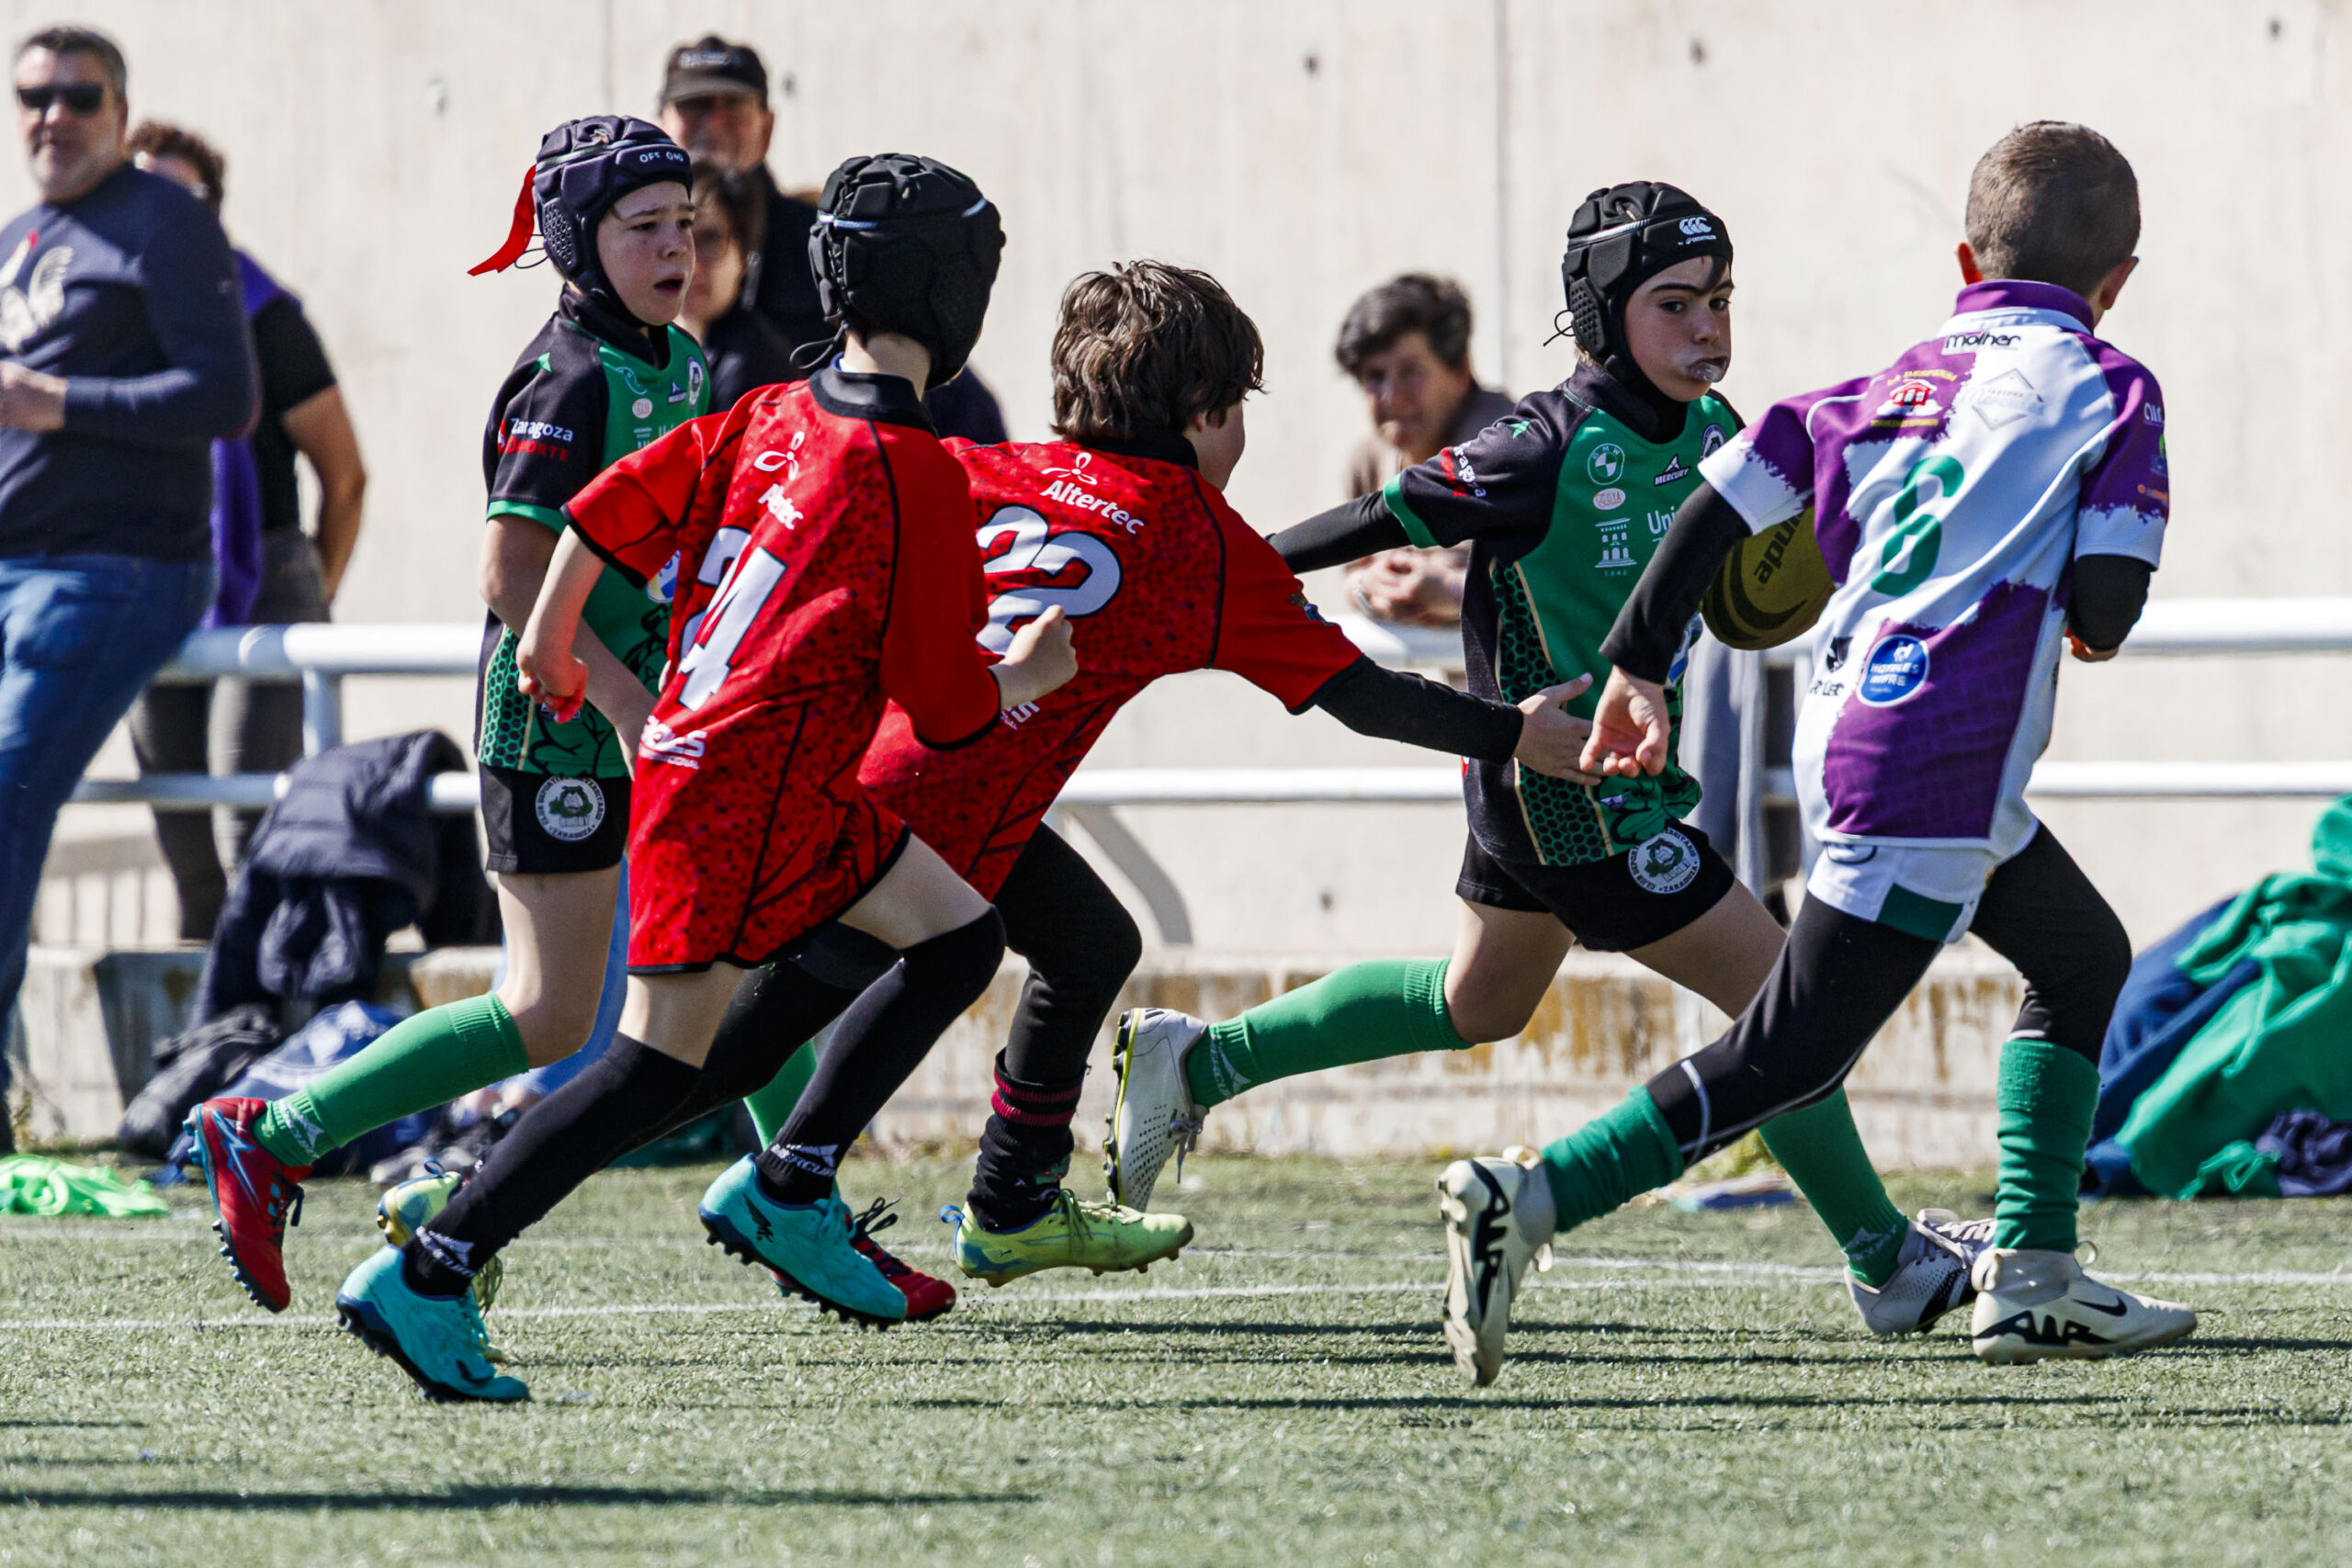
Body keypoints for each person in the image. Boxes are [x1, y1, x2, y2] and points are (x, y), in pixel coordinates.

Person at [607, 260, 1595, 1296]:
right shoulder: (1193, 535)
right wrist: (1510, 733)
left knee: (1086, 944)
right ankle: (502, 1193)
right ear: (1209, 412)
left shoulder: (986, 465)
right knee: (709, 1060)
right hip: (930, 814)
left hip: (855, 774)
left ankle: (1011, 1207)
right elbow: (1364, 694)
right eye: (1240, 410)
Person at [1108, 183, 1984, 1340]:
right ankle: (1888, 1261)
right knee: (1789, 1000)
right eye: (1673, 305)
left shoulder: (1720, 435)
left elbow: (1746, 585)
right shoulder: (1539, 444)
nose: (1707, 331)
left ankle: (1201, 1062)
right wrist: (1213, 575)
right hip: (1571, 792)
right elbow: (1370, 521)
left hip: (1576, 787)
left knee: (1479, 999)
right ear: (1599, 314)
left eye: (1720, 302)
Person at [1440, 123, 2196, 1386]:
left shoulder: (1885, 383)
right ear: (2118, 278)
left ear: (1965, 258)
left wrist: (1635, 664)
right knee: (1789, 1048)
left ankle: (2036, 1271)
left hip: (1859, 720)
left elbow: (1717, 504)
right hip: (1940, 757)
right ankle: (1527, 1197)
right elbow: (2108, 607)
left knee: (2079, 951)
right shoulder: (2114, 392)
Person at [334, 153, 1069, 1404]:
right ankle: (436, 1258)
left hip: (757, 774)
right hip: (748, 794)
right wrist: (1030, 672)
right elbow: (944, 710)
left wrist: (553, 640)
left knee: (955, 935)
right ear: (953, 293)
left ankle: (787, 1176)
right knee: (651, 1068)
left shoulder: (767, 407)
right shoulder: (919, 465)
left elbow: (600, 516)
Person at [185, 116, 705, 1314]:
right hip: (562, 726)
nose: (674, 245)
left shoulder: (675, 358)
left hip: (649, 706)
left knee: (741, 952)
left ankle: (793, 1182)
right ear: (577, 243)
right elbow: (513, 578)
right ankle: (275, 1131)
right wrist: (626, 698)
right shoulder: (568, 379)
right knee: (547, 1008)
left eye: (686, 221)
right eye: (643, 228)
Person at [0, 27, 255, 1149]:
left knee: (5, 794)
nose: (52, 114)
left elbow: (226, 397)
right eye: (32, 97)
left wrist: (60, 403)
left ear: (118, 104)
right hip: (16, 567)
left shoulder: (166, 219)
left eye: (77, 94)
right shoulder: (22, 238)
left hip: (115, 569)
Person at [123, 120, 368, 940]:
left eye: (179, 196)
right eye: (139, 190)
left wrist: (308, 593)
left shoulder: (264, 317)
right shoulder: (103, 321)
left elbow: (345, 479)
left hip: (263, 575)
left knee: (246, 818)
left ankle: (265, 1016)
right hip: (150, 579)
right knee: (179, 828)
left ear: (213, 212)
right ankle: (207, 1031)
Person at [1335, 275, 1512, 626]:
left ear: (1461, 369)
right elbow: (1353, 574)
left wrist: (1451, 589)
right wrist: (1368, 587)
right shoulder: (1369, 459)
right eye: (1373, 375)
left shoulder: (1510, 449)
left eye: (1410, 372)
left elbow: (1557, 593)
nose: (1391, 396)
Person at [680, 158, 794, 412]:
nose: (691, 265)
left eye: (709, 240)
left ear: (744, 256)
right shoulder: (677, 348)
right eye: (680, 238)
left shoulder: (751, 369)